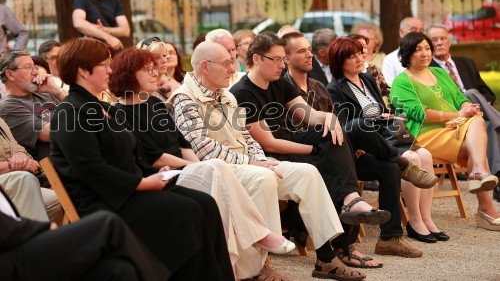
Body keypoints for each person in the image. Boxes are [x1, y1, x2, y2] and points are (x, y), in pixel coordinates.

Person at [169, 41, 370, 281]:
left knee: (307, 173)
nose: (233, 69)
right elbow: (203, 150)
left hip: (247, 163)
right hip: (218, 170)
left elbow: (246, 136)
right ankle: (260, 265)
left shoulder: (225, 95)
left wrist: (261, 159)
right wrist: (252, 163)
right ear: (205, 66)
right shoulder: (184, 98)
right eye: (226, 64)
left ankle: (326, 258)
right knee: (263, 177)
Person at [49, 38, 234, 280]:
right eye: (104, 65)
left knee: (205, 204)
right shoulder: (69, 111)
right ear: (83, 71)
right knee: (186, 211)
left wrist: (152, 174)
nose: (110, 69)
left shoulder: (101, 107)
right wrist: (142, 183)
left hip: (130, 190)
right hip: (104, 201)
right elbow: (90, 168)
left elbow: (127, 155)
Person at [109, 48, 295, 279]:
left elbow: (183, 143)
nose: (157, 72)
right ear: (128, 75)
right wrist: (197, 169)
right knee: (215, 167)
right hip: (163, 175)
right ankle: (256, 237)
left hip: (186, 170)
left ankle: (235, 265)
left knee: (215, 172)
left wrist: (198, 167)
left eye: (155, 67)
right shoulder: (120, 114)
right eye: (148, 69)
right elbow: (155, 158)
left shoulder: (155, 105)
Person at [325, 36, 447, 247]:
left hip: (386, 138)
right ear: (339, 61)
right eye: (351, 56)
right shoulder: (335, 89)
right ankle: (414, 221)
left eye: (359, 54)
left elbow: (379, 110)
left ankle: (423, 221)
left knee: (424, 155)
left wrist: (387, 116)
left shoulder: (368, 79)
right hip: (362, 149)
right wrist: (372, 119)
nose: (358, 59)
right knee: (407, 158)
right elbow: (344, 125)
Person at [390, 32, 500, 232]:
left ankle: (478, 175)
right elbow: (419, 114)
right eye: (417, 50)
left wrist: (467, 107)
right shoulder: (402, 82)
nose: (424, 54)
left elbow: (460, 96)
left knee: (476, 120)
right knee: (476, 144)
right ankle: (484, 200)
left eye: (427, 48)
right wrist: (458, 114)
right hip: (425, 135)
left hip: (455, 127)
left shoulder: (439, 72)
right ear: (407, 54)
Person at [0, 186, 170, 281]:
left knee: (119, 270)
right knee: (107, 224)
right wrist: (42, 229)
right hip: (9, 261)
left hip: (17, 247)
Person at [426, 24, 499, 184]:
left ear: (450, 41)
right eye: (434, 40)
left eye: (443, 38)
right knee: (469, 94)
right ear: (428, 45)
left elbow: (487, 93)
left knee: (486, 122)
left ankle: (497, 175)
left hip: (477, 113)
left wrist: (481, 104)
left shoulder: (466, 62)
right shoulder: (427, 68)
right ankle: (497, 121)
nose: (439, 43)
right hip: (455, 115)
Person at [0, 51, 67, 160]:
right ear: (10, 74)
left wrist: (55, 90)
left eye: (34, 67)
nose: (35, 72)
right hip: (59, 167)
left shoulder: (46, 94)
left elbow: (84, 111)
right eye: (28, 68)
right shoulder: (7, 106)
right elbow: (52, 133)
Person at [0, 117, 62, 223]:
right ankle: (38, 237)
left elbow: (17, 146)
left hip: (14, 177)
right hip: (10, 179)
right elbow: (54, 133)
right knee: (23, 179)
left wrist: (21, 155)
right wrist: (11, 165)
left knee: (56, 200)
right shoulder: (10, 104)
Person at [382, 17, 424, 86]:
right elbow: (389, 88)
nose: (418, 34)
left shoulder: (427, 56)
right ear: (401, 32)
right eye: (413, 30)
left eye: (421, 31)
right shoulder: (390, 59)